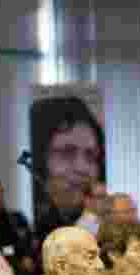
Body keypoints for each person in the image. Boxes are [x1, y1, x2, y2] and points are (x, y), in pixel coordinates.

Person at [31, 96, 105, 238]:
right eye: (66, 153)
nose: (82, 168)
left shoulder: (103, 222)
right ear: (40, 160)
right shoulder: (31, 225)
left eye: (91, 156)